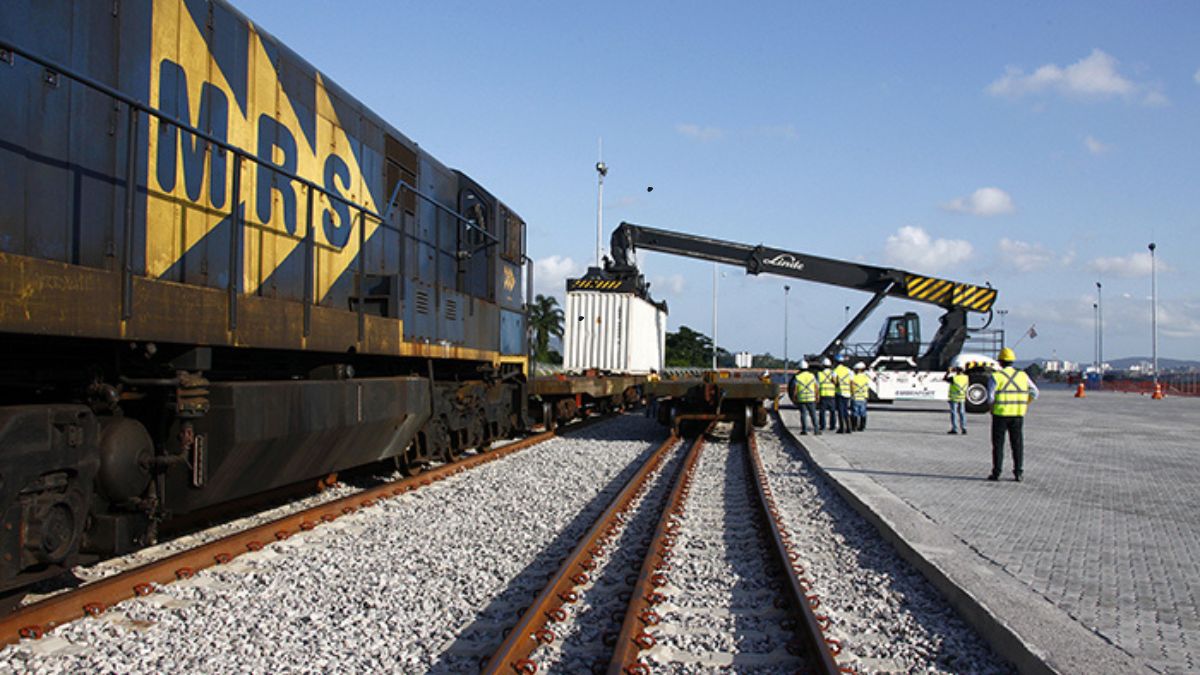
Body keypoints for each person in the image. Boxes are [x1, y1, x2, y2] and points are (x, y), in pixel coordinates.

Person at [987, 347, 1039, 482]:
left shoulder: (996, 377)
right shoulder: (1022, 375)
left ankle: (996, 472)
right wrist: (1025, 403)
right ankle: (1018, 472)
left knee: (998, 445)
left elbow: (990, 398)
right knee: (1017, 445)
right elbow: (1035, 392)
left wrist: (991, 409)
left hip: (1000, 415)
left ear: (1000, 362)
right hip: (1017, 415)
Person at [793, 361, 820, 435]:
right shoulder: (812, 376)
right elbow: (816, 387)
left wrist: (794, 398)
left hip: (801, 398)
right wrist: (817, 396)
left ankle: (804, 430)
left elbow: (795, 388)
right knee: (813, 414)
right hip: (811, 398)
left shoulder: (798, 377)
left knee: (803, 415)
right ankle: (816, 430)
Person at [833, 354, 854, 434]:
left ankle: (842, 428)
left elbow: (834, 381)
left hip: (840, 392)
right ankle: (849, 427)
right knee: (846, 410)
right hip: (847, 392)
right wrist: (852, 392)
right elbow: (851, 382)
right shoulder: (848, 370)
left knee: (841, 411)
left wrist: (836, 385)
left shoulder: (835, 371)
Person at [946, 366, 968, 435]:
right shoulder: (966, 378)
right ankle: (964, 428)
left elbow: (945, 379)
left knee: (954, 413)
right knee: (962, 413)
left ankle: (955, 428)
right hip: (962, 398)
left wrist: (948, 372)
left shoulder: (954, 378)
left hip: (954, 398)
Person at [817, 357, 837, 431]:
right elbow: (835, 382)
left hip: (823, 394)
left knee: (822, 412)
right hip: (831, 394)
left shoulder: (820, 374)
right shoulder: (833, 373)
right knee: (832, 412)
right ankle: (832, 426)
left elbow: (818, 385)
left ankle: (823, 426)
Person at [850, 362, 870, 431]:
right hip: (863, 397)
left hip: (856, 397)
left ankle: (854, 426)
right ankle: (862, 427)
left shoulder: (854, 377)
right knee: (863, 413)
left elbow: (852, 386)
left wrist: (852, 394)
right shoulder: (866, 377)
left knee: (854, 412)